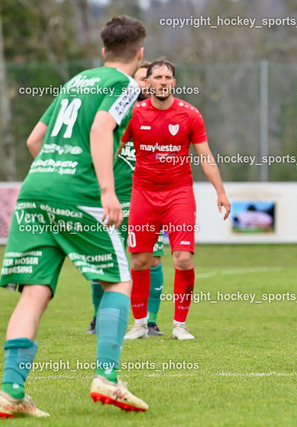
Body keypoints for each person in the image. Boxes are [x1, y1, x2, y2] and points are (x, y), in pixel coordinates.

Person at [0, 16, 148, 417]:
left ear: (102, 52)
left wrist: (54, 175)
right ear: (140, 54)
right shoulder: (125, 85)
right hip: (77, 194)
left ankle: (11, 390)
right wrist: (105, 190)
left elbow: (35, 140)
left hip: (34, 189)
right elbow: (102, 130)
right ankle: (107, 377)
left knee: (35, 291)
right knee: (118, 280)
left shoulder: (76, 81)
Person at [122, 59, 230, 341]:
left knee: (182, 258)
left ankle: (180, 325)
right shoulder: (134, 114)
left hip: (178, 194)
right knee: (141, 260)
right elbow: (112, 149)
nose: (162, 81)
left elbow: (205, 156)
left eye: (167, 77)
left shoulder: (189, 114)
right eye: (156, 77)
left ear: (174, 82)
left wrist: (220, 191)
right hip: (143, 193)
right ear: (148, 82)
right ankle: (140, 324)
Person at [87, 62, 166, 336]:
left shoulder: (164, 116)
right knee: (103, 258)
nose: (147, 84)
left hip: (148, 199)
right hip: (115, 198)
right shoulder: (114, 114)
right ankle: (99, 317)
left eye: (150, 79)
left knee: (152, 259)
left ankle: (150, 320)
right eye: (141, 79)